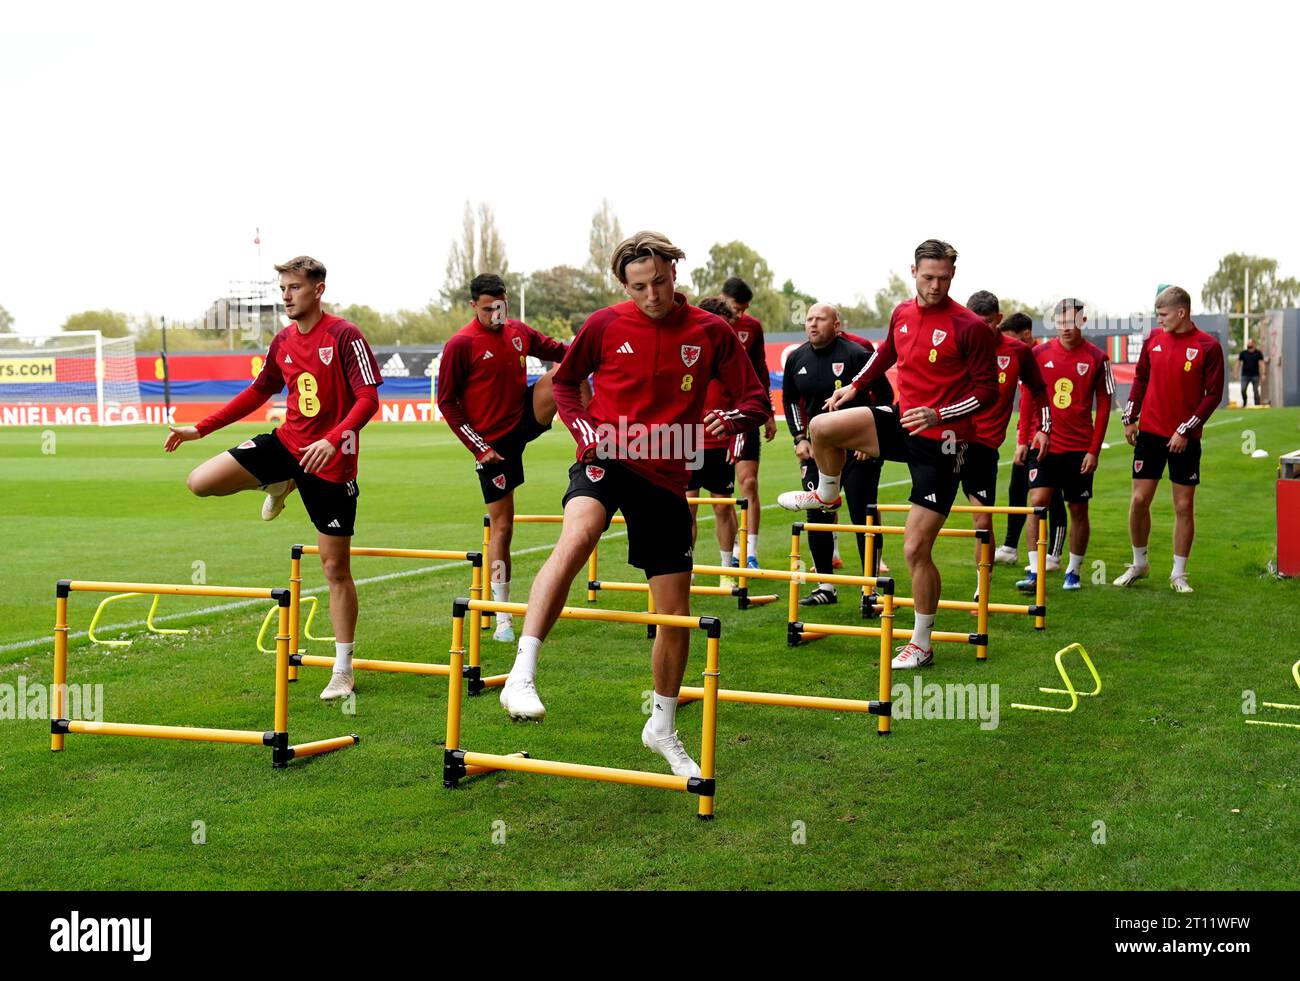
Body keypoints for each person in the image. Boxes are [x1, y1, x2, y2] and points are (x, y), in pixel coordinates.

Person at [497, 232, 769, 778]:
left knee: (673, 613)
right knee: (578, 535)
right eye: (639, 286)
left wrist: (735, 418)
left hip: (670, 473)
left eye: (660, 282)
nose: (651, 295)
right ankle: (521, 672)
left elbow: (756, 398)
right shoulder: (603, 324)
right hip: (607, 456)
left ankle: (662, 727)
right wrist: (583, 429)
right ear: (625, 285)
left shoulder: (711, 331)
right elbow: (566, 383)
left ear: (674, 272)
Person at [164, 256, 383, 700]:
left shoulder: (344, 335)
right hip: (287, 445)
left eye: (294, 287)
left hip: (331, 462)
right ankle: (279, 482)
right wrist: (199, 428)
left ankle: (343, 670)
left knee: (334, 568)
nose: (286, 295)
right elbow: (260, 390)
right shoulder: (282, 340)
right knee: (200, 481)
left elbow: (368, 399)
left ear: (318, 289)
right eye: (282, 288)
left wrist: (336, 437)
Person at [779, 239, 997, 669]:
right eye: (928, 276)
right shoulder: (901, 312)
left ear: (953, 275)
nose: (935, 285)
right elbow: (887, 355)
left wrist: (939, 414)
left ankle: (921, 642)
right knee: (821, 427)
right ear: (912, 271)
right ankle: (826, 493)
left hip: (944, 443)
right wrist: (854, 388)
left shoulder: (968, 326)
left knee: (915, 549)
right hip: (901, 423)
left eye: (944, 278)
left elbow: (989, 393)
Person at [437, 273, 572, 643]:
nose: (496, 314)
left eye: (501, 306)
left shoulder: (518, 332)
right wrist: (479, 447)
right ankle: (502, 616)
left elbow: (560, 351)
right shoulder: (460, 345)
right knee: (503, 528)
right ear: (473, 306)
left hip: (524, 415)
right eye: (487, 308)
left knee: (566, 371)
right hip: (493, 444)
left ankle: (593, 442)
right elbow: (447, 403)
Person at [1113, 286, 1224, 593]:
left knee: (1183, 506)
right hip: (1149, 433)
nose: (1159, 320)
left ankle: (1178, 574)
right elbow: (1141, 378)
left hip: (1185, 439)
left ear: (1181, 313)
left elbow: (1213, 395)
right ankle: (1139, 563)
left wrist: (1185, 430)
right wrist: (1130, 417)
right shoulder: (1153, 340)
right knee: (1138, 500)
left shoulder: (1208, 346)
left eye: (1162, 315)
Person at [782, 303, 883, 608]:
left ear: (836, 325)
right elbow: (790, 401)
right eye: (809, 319)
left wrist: (870, 439)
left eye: (820, 319)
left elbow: (886, 398)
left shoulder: (856, 355)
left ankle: (871, 589)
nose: (813, 324)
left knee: (861, 515)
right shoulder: (797, 358)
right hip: (818, 451)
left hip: (858, 451)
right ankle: (825, 586)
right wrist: (800, 438)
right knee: (818, 514)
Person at [1016, 299, 1114, 593]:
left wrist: (1094, 450)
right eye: (1060, 322)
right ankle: (1035, 571)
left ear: (1082, 322)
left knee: (1078, 508)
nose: (1065, 328)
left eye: (1071, 322)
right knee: (1037, 503)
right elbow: (1028, 400)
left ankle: (1074, 570)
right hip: (1044, 444)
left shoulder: (1098, 358)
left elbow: (1105, 406)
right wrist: (1022, 438)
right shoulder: (1038, 354)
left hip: (1079, 448)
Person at [962, 292, 1050, 597]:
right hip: (945, 441)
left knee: (982, 519)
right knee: (925, 523)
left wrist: (1043, 429)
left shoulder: (1016, 351)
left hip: (983, 447)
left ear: (998, 319)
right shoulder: (959, 343)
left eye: (987, 322)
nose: (981, 328)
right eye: (975, 322)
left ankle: (981, 587)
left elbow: (1039, 390)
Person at [995, 313, 1069, 570]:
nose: (1008, 345)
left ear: (1025, 334)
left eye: (1011, 339)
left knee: (1052, 496)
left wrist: (1031, 437)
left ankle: (1054, 555)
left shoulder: (1041, 355)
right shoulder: (1024, 356)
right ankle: (1009, 547)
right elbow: (1025, 403)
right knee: (1017, 490)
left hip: (1049, 438)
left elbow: (1039, 401)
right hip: (1028, 438)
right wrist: (1021, 439)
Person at [720, 277, 777, 570]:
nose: (740, 315)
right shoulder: (707, 321)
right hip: (711, 419)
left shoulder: (752, 327)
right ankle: (727, 554)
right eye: (735, 308)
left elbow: (760, 368)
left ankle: (750, 553)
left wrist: (767, 411)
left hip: (744, 415)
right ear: (722, 299)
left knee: (749, 483)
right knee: (718, 494)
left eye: (744, 309)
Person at [688, 296, 742, 590]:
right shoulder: (684, 348)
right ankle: (687, 568)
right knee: (686, 508)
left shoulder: (730, 356)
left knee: (722, 507)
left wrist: (738, 436)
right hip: (684, 440)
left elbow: (743, 399)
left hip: (719, 440)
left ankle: (726, 570)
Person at [1237, 338, 1267, 407]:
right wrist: (1235, 372)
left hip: (1255, 375)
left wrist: (1263, 374)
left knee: (1256, 390)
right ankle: (1245, 401)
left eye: (1250, 343)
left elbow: (1262, 364)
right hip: (1245, 375)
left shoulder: (1258, 353)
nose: (1248, 344)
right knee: (1243, 389)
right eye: (1248, 343)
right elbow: (1238, 363)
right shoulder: (1243, 353)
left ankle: (1257, 405)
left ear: (1253, 344)